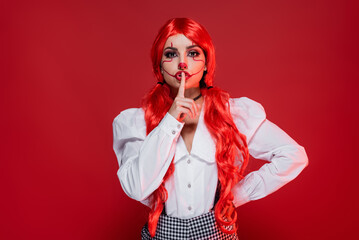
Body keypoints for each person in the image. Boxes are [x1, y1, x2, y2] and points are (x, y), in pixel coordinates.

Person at [112, 17, 309, 239]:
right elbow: (136, 187)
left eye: (193, 53)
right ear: (159, 66)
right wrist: (170, 120)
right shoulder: (135, 122)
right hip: (162, 233)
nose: (182, 63)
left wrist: (234, 196)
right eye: (171, 54)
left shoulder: (231, 113)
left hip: (216, 232)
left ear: (206, 63)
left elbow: (293, 155)